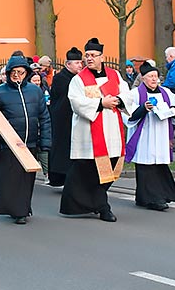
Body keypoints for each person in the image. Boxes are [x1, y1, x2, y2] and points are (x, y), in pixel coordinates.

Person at [60, 38, 130, 222]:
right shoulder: (78, 79)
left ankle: (94, 203)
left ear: (102, 57)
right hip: (88, 134)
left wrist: (118, 101)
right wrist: (101, 102)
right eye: (87, 55)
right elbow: (75, 102)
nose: (89, 58)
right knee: (88, 170)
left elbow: (127, 94)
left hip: (112, 130)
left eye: (93, 55)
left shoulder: (115, 75)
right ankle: (102, 206)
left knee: (110, 168)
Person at [0, 55, 51, 225]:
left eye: (21, 72)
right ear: (8, 73)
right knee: (11, 178)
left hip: (30, 141)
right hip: (8, 143)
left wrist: (45, 142)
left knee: (26, 179)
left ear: (27, 73)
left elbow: (44, 117)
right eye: (14, 72)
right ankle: (18, 210)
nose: (17, 75)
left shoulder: (35, 91)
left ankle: (23, 207)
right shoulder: (0, 91)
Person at [124, 62, 175, 211]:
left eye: (156, 76)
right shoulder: (135, 94)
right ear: (143, 78)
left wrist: (174, 111)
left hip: (161, 135)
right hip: (145, 135)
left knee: (159, 166)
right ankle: (152, 199)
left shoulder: (166, 93)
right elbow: (127, 114)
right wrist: (143, 109)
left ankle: (155, 196)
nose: (153, 79)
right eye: (150, 76)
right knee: (146, 166)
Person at [48, 47, 83, 187]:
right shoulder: (60, 78)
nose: (80, 65)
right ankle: (60, 176)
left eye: (81, 63)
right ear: (68, 64)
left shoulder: (79, 78)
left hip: (75, 117)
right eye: (77, 63)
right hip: (62, 118)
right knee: (62, 147)